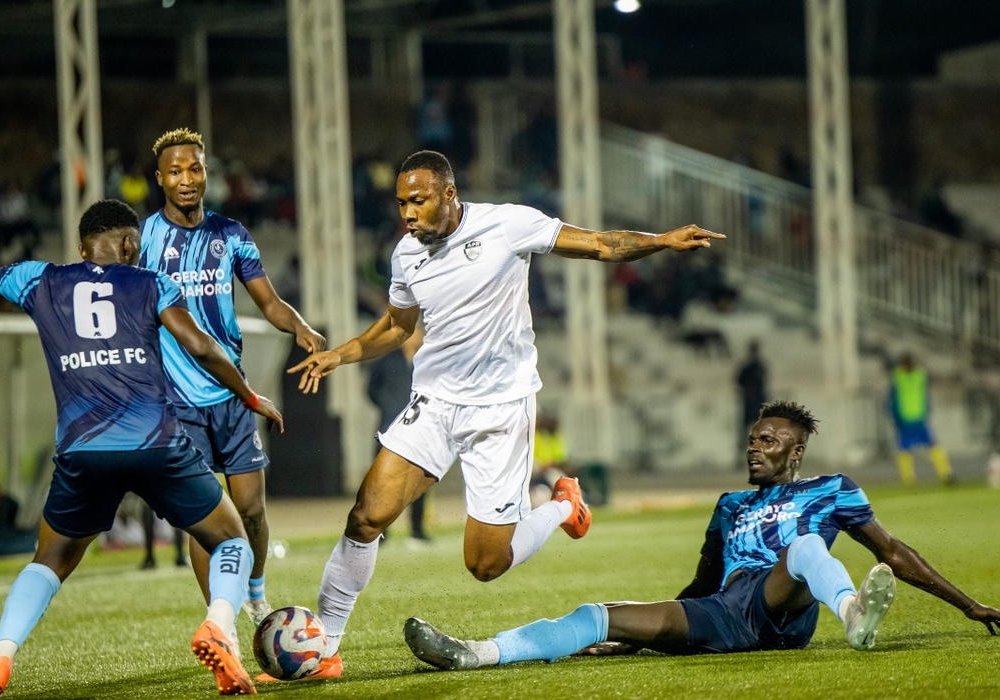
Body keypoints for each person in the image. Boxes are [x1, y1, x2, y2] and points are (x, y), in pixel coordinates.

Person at [282, 149, 725, 680]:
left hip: (501, 411)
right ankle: (324, 649)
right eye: (401, 202)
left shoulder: (508, 224)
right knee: (366, 516)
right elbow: (398, 326)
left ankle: (563, 506)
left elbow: (600, 245)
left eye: (418, 201)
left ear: (449, 194)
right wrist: (341, 353)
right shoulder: (406, 254)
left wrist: (662, 241)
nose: (408, 213)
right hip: (435, 402)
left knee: (485, 564)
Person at [0, 194, 283, 698]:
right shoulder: (152, 282)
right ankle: (218, 626)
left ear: (82, 247)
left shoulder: (41, 279)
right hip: (155, 444)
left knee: (48, 561)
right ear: (129, 244)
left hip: (82, 453)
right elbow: (203, 346)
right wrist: (248, 394)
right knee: (231, 538)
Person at [404, 400, 1000, 672]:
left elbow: (892, 552)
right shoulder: (727, 506)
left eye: (769, 440)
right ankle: (477, 652)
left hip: (787, 602)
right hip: (729, 612)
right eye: (752, 439)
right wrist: (638, 640)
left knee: (805, 549)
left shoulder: (830, 490)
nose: (755, 446)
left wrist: (969, 605)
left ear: (797, 451)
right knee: (599, 615)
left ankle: (855, 613)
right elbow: (700, 586)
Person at [140, 128, 325, 625]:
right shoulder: (144, 242)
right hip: (178, 401)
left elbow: (267, 301)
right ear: (160, 179)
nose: (186, 179)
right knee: (205, 521)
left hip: (232, 395)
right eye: (175, 171)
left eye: (195, 169)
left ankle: (258, 596)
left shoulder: (231, 235)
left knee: (251, 511)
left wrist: (301, 326)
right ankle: (221, 621)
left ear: (207, 174)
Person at [366, 325, 430, 543]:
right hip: (389, 428)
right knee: (384, 482)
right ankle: (380, 534)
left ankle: (417, 531)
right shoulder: (386, 361)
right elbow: (372, 390)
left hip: (420, 429)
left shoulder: (428, 361)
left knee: (419, 480)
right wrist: (388, 406)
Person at [889, 353, 954, 486]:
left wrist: (894, 416)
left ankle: (908, 479)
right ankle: (945, 473)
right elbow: (925, 396)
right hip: (917, 417)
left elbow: (893, 400)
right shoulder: (920, 375)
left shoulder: (898, 377)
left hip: (906, 418)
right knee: (932, 445)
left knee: (905, 449)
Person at [734, 340, 768, 444]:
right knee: (748, 423)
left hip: (755, 398)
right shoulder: (750, 367)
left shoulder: (758, 366)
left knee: (756, 422)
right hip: (750, 399)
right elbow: (739, 380)